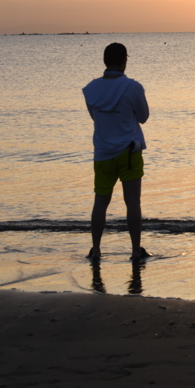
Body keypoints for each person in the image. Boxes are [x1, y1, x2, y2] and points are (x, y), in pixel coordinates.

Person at [82, 43, 151, 261]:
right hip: (129, 152)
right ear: (124, 61)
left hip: (102, 152)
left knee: (100, 202)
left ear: (105, 61)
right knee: (132, 202)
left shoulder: (91, 89)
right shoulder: (133, 87)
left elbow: (95, 117)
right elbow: (143, 117)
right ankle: (135, 251)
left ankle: (96, 250)